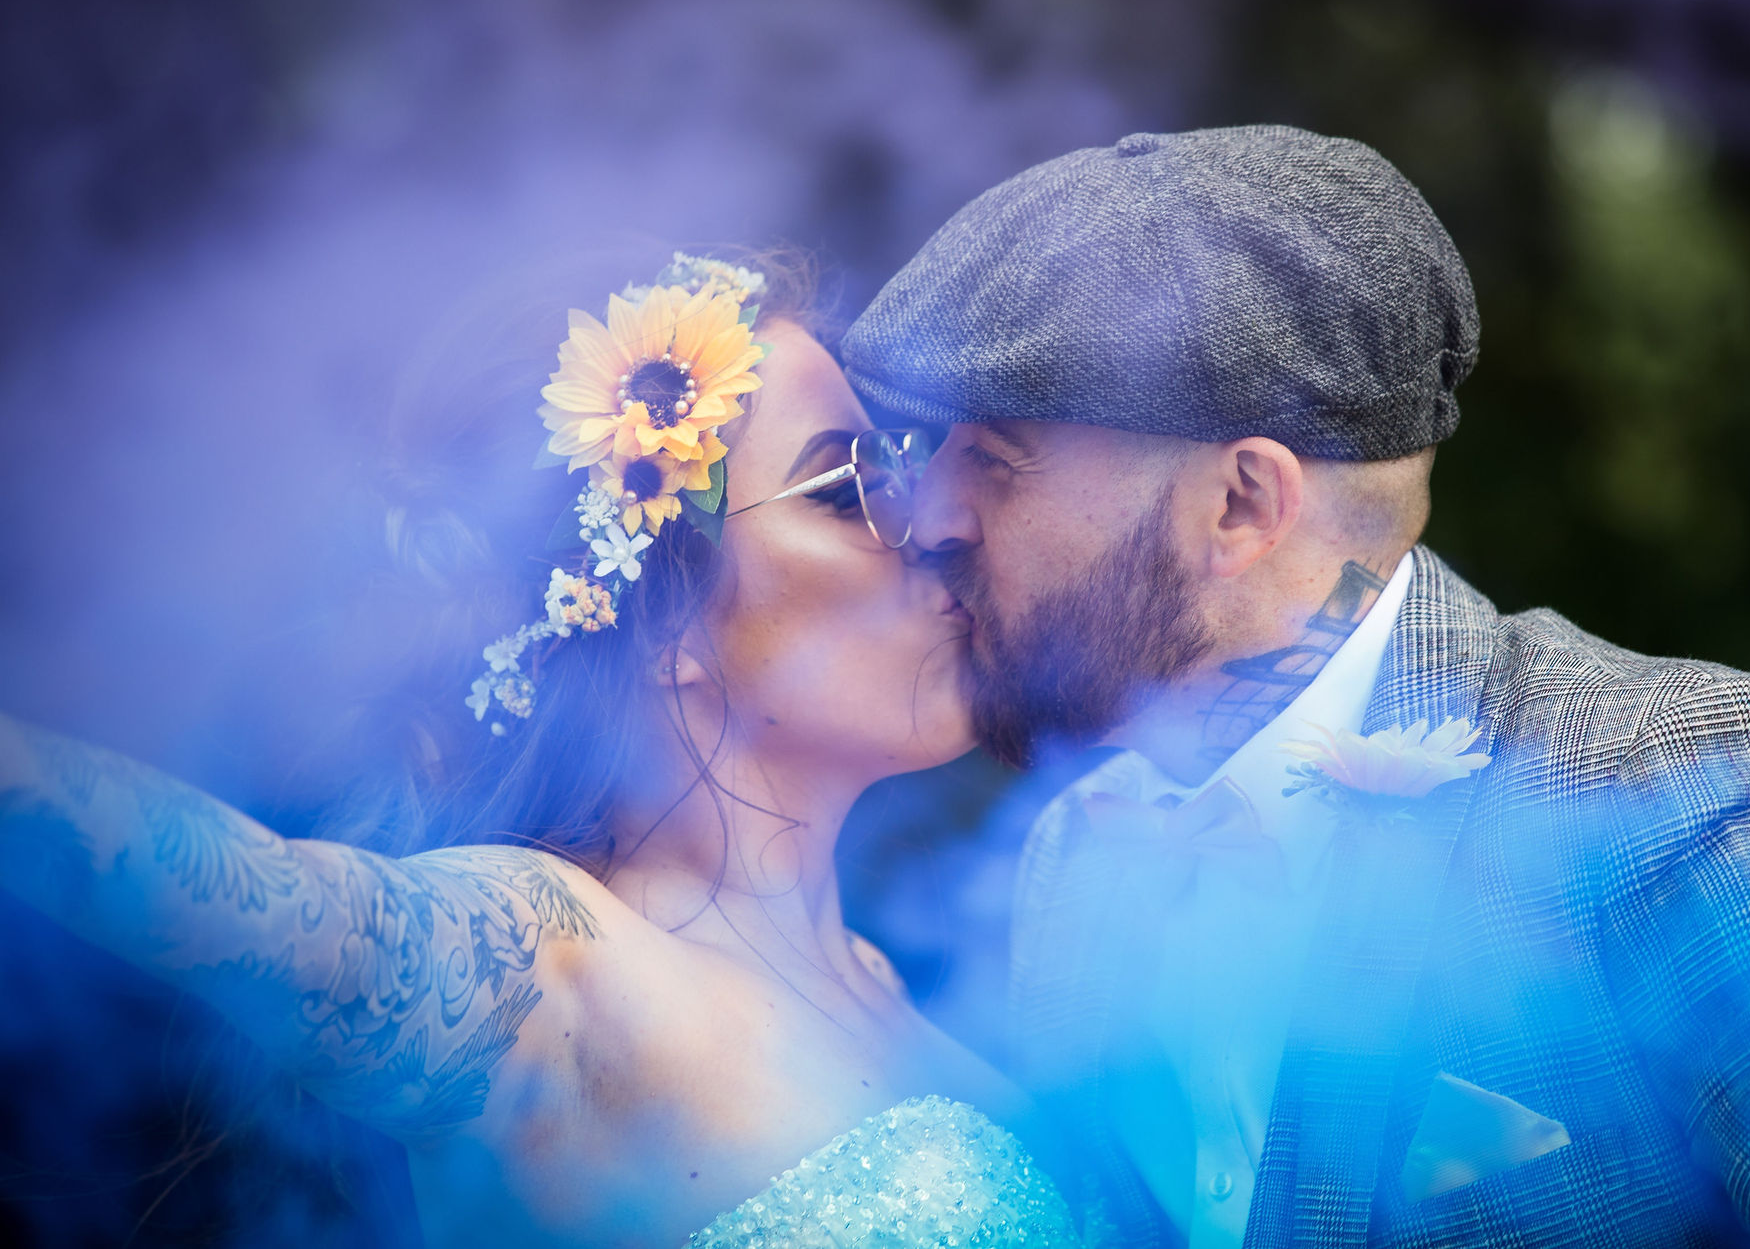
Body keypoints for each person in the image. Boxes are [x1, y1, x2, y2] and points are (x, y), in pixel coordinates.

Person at [837, 125, 1750, 1247]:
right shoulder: (1069, 852)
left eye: (991, 461)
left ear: (1241, 506)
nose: (926, 515)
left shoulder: (1675, 784)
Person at [0, 254, 1081, 1247]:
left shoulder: (888, 981)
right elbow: (270, 900)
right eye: (846, 490)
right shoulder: (552, 964)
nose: (933, 525)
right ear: (664, 630)